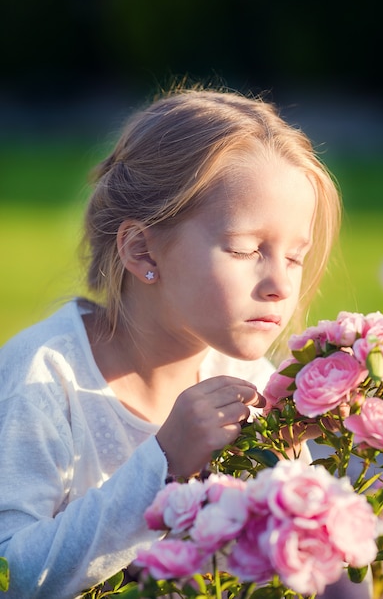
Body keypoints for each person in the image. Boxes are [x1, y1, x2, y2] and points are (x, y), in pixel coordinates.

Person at [0, 85, 342, 598]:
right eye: (247, 249)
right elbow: (13, 573)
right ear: (143, 251)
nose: (281, 283)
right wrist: (162, 464)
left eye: (294, 256)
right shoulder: (45, 378)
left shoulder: (252, 383)